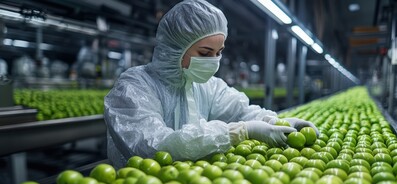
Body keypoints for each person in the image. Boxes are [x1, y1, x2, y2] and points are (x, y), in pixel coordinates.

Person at [104, 0, 318, 169]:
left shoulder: (207, 86)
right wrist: (237, 133)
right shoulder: (134, 87)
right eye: (205, 53)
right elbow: (153, 146)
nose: (214, 61)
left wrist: (274, 121)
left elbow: (240, 111)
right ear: (174, 48)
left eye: (219, 52)